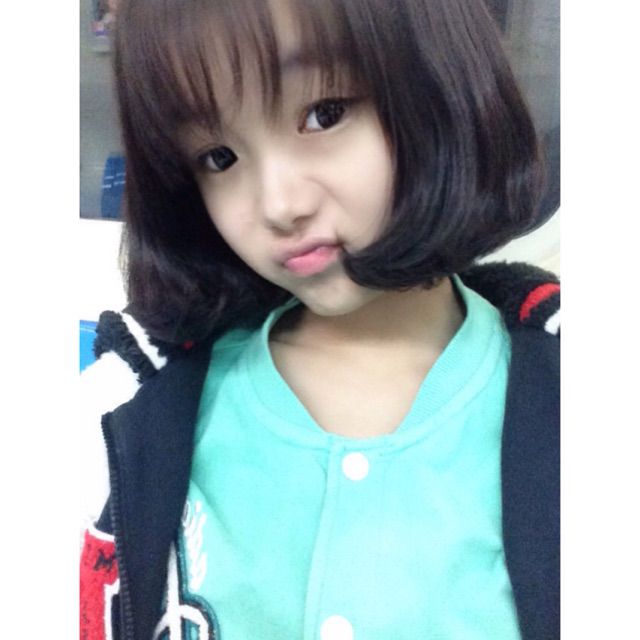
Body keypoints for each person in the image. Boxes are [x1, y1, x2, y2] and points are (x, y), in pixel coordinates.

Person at [79, 1, 560, 639]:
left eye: (324, 114)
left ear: (441, 83)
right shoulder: (128, 411)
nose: (279, 205)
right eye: (219, 158)